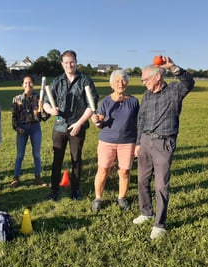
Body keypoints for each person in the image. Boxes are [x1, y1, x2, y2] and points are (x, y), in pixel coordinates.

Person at [133, 56, 195, 240]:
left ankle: (159, 224)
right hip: (145, 141)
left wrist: (173, 67)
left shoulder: (175, 90)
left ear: (157, 77)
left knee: (161, 185)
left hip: (163, 143)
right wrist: (138, 143)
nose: (143, 82)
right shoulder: (146, 95)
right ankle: (146, 213)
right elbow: (141, 120)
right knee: (142, 181)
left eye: (145, 79)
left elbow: (189, 82)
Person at [43, 50, 98, 201]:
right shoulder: (57, 82)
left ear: (76, 62)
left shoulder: (85, 81)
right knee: (57, 160)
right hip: (59, 128)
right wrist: (51, 110)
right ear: (62, 64)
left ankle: (75, 191)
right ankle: (54, 190)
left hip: (77, 127)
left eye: (72, 62)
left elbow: (91, 105)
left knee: (76, 160)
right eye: (66, 62)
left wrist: (79, 123)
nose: (69, 65)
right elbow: (46, 103)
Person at [90, 69, 140, 212]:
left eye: (123, 80)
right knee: (103, 170)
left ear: (127, 83)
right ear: (111, 84)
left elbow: (138, 123)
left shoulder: (133, 101)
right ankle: (98, 198)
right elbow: (100, 122)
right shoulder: (106, 101)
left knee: (124, 172)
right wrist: (97, 121)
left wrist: (138, 143)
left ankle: (122, 198)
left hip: (128, 142)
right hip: (107, 141)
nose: (120, 83)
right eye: (117, 81)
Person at [9, 75, 50, 187]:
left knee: (36, 154)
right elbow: (14, 117)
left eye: (30, 82)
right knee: (20, 155)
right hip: (22, 129)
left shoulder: (39, 98)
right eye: (26, 83)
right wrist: (17, 128)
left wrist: (42, 109)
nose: (28, 85)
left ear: (33, 84)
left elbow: (44, 118)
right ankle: (15, 178)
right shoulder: (16, 99)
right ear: (22, 85)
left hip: (35, 128)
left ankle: (38, 177)